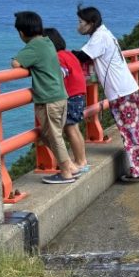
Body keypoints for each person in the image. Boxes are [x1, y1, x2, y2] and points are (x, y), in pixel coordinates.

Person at [72, 5, 139, 183]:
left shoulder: (99, 37)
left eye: (80, 22)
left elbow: (80, 57)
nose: (78, 26)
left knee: (130, 131)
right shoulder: (105, 34)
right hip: (128, 88)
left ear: (91, 23)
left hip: (120, 92)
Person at [11, 11, 80, 185]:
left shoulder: (34, 46)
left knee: (53, 136)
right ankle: (70, 166)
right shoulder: (47, 42)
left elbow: (16, 64)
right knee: (49, 135)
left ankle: (65, 172)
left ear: (21, 33)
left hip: (49, 99)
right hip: (61, 96)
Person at [44, 27, 89, 176]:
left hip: (70, 95)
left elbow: (61, 73)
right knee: (74, 128)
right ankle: (82, 160)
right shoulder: (69, 54)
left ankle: (80, 162)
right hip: (79, 94)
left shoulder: (57, 57)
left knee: (70, 129)